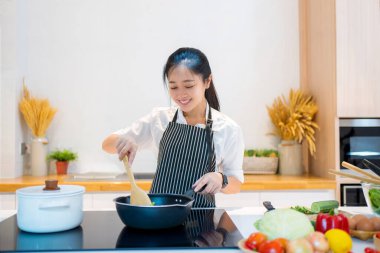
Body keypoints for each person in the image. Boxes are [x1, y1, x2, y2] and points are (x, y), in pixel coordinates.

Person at [102, 47, 244, 207]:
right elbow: (107, 145)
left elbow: (236, 184)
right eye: (173, 87)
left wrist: (221, 179)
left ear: (207, 81)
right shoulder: (159, 119)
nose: (180, 94)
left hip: (201, 221)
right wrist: (124, 141)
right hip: (159, 216)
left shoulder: (228, 128)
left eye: (189, 86)